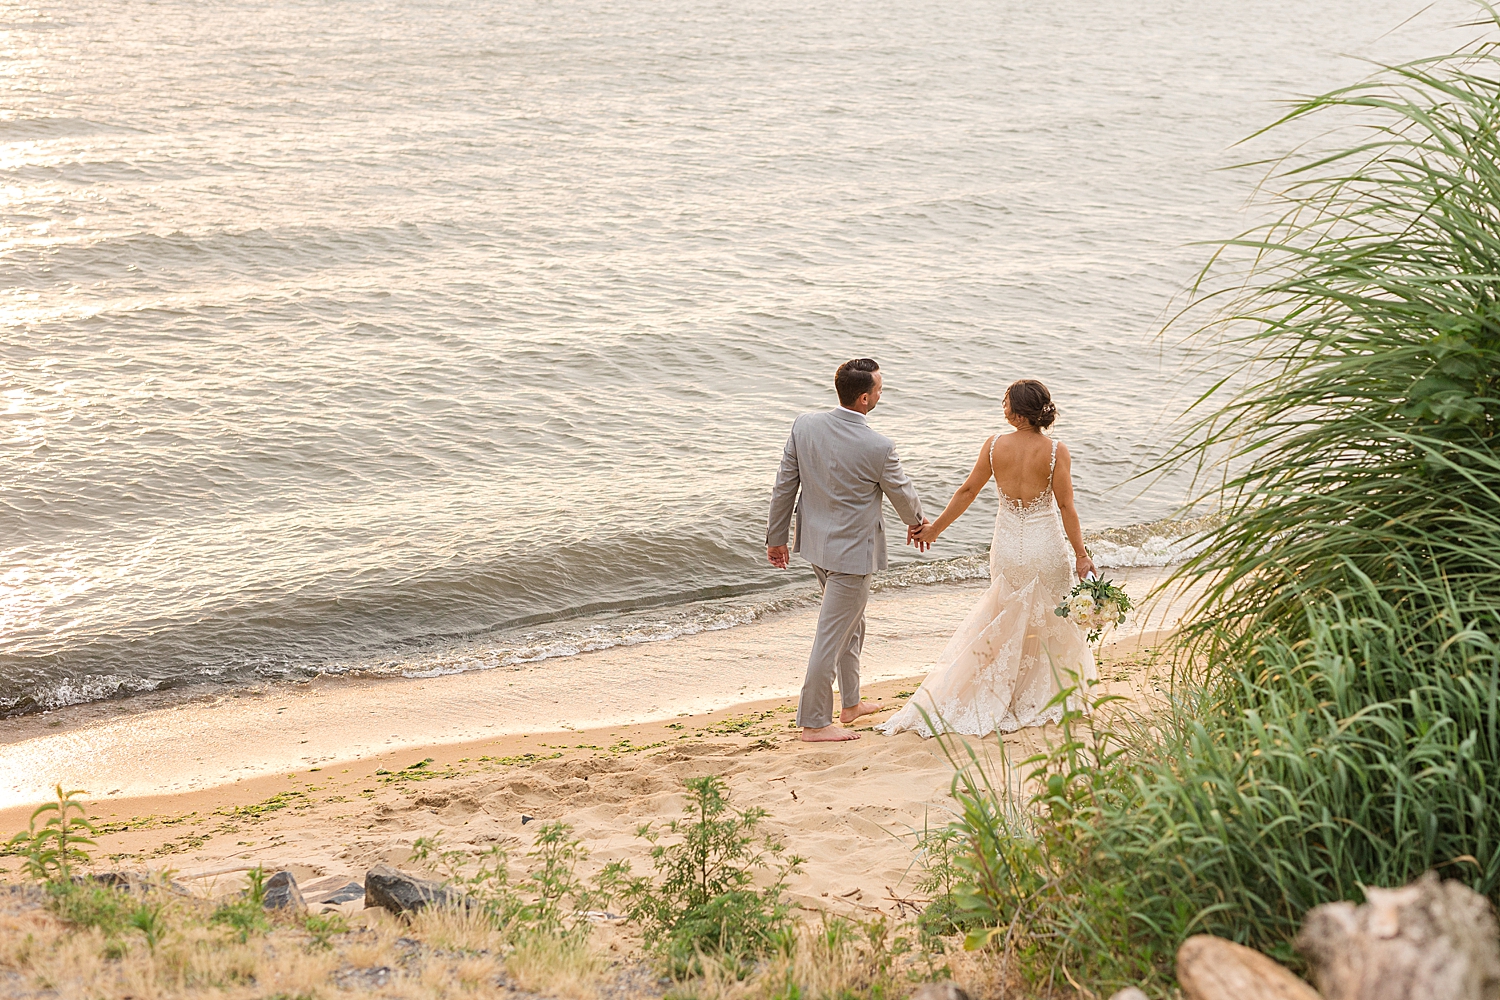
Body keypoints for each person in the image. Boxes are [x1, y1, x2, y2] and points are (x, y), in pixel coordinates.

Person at [878, 379, 1097, 738]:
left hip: (1008, 547)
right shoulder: (1056, 450)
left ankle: (1003, 693)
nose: (1002, 406)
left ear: (1019, 410)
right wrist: (1081, 554)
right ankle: (1046, 693)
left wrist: (935, 530)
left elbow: (967, 491)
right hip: (1046, 546)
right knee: (1051, 623)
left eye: (1006, 400)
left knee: (1005, 620)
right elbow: (1066, 506)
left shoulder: (995, 446)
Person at [766, 358, 929, 742]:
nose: (880, 394)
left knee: (850, 625)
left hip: (815, 548)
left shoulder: (804, 425)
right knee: (831, 636)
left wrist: (777, 538)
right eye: (878, 391)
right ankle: (814, 723)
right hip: (853, 556)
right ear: (862, 399)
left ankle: (851, 702)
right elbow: (903, 496)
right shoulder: (879, 446)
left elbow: (784, 485)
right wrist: (919, 523)